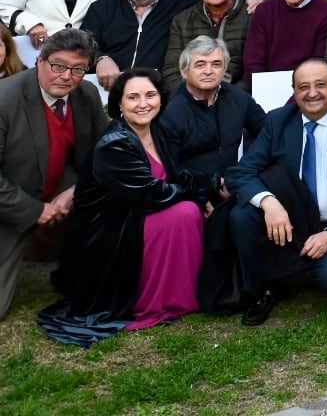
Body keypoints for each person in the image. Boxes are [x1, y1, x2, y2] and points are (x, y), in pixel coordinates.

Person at [38, 68, 208, 345]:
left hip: (138, 217)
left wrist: (210, 184)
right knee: (185, 210)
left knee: (188, 210)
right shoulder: (114, 143)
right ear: (119, 103)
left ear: (161, 99)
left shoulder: (158, 131)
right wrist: (194, 194)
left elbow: (177, 175)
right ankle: (151, 300)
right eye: (133, 97)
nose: (143, 104)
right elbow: (151, 194)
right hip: (111, 231)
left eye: (150, 95)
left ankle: (180, 294)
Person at [226, 57, 327, 325]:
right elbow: (241, 172)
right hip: (288, 219)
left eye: (321, 84)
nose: (312, 93)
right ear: (293, 91)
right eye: (303, 86)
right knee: (242, 215)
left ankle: (300, 269)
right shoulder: (278, 121)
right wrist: (269, 203)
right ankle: (261, 290)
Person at [0, 29, 108, 319]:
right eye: (58, 65)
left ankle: (80, 269)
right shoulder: (4, 99)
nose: (66, 76)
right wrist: (34, 210)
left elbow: (104, 153)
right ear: (40, 61)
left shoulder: (86, 94)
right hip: (10, 199)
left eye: (78, 69)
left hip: (63, 185)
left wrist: (75, 192)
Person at [158, 35, 267, 312]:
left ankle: (257, 285)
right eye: (201, 64)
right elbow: (169, 166)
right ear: (185, 71)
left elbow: (267, 134)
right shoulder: (171, 110)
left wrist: (245, 172)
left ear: (225, 70)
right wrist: (205, 188)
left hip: (236, 184)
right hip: (193, 191)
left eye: (216, 64)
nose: (209, 70)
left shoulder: (238, 98)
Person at [80, 0, 196, 87]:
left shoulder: (182, 6)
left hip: (161, 89)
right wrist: (101, 59)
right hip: (110, 89)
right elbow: (82, 44)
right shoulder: (102, 8)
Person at [161, 0, 251, 92]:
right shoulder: (182, 20)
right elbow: (171, 71)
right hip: (191, 101)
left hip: (237, 100)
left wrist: (230, 98)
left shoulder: (252, 16)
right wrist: (192, 98)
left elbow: (253, 71)